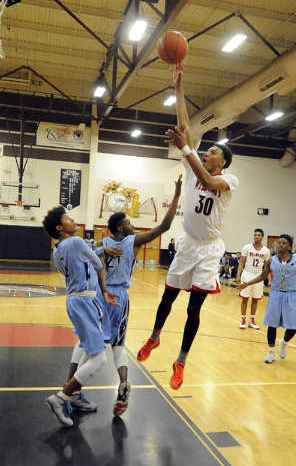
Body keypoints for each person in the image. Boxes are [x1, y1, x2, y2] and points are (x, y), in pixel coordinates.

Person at [137, 62, 239, 390]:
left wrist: (185, 148)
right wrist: (178, 87)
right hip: (188, 243)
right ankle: (154, 338)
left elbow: (206, 177)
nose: (204, 152)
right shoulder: (194, 163)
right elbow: (184, 126)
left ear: (221, 161)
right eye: (204, 150)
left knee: (193, 308)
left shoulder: (227, 179)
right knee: (167, 298)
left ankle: (180, 362)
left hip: (209, 251)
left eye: (210, 151)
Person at [66, 176, 182, 416]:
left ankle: (71, 389)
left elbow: (81, 256)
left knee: (84, 341)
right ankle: (122, 383)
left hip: (98, 294)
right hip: (118, 297)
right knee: (118, 344)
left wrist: (100, 250)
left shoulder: (101, 242)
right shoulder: (134, 241)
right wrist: (177, 196)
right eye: (129, 222)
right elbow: (164, 227)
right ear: (121, 227)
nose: (133, 225)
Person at [42, 206, 120, 427]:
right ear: (59, 226)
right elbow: (97, 264)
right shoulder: (75, 242)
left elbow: (88, 255)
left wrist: (96, 249)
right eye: (68, 218)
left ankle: (74, 395)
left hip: (77, 299)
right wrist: (100, 254)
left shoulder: (58, 249)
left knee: (86, 346)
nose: (73, 219)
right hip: (85, 300)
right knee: (100, 358)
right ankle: (61, 397)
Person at [238, 234, 296, 363]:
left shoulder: (295, 260)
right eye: (279, 242)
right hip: (276, 293)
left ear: (290, 246)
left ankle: (284, 342)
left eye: (284, 243)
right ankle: (271, 353)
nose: (280, 244)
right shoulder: (272, 260)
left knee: (293, 326)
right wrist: (247, 283)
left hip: (291, 294)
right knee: (272, 324)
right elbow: (262, 275)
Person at [236, 229, 271, 330]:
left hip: (259, 276)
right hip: (247, 273)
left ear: (262, 237)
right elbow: (241, 262)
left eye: (258, 235)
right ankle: (243, 319)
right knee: (245, 298)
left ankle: (252, 320)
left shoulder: (266, 250)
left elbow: (267, 267)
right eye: (255, 235)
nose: (256, 236)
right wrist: (238, 275)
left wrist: (269, 280)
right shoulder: (247, 247)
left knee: (255, 299)